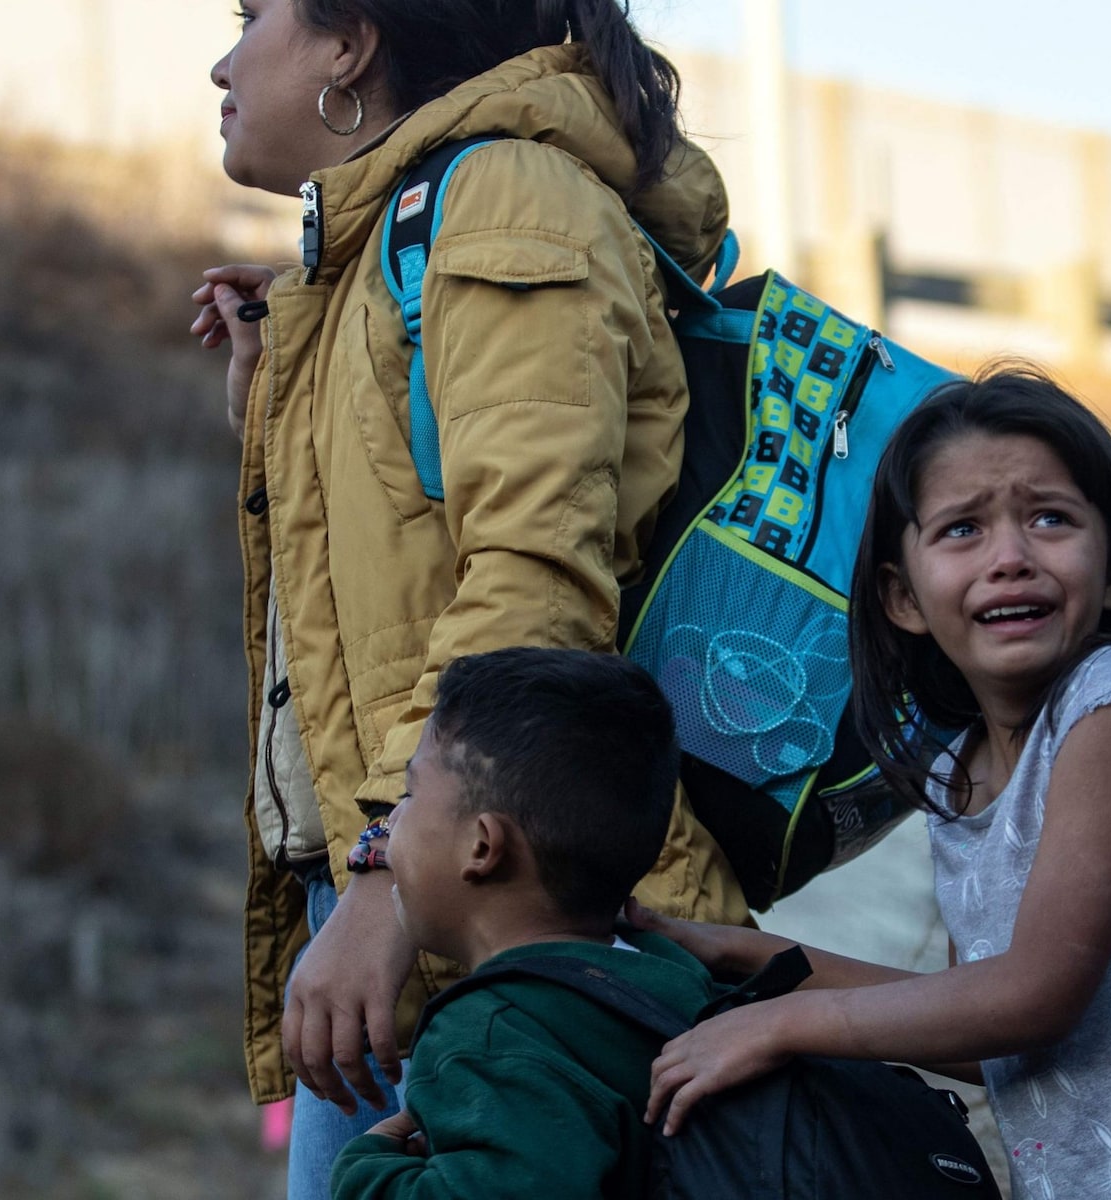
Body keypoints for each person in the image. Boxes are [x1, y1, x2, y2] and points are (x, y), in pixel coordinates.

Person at [188, 3, 749, 1194]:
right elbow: (397, 574)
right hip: (434, 899)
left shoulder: (505, 201)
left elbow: (534, 579)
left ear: (352, 44)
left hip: (506, 920)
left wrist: (386, 882)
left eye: (251, 18)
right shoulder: (370, 257)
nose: (223, 61)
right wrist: (271, 396)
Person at [629, 370, 1111, 1200]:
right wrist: (746, 955)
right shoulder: (959, 778)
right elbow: (987, 1032)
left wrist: (781, 1022)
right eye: (962, 529)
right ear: (902, 597)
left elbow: (1033, 997)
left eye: (1051, 518)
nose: (1011, 558)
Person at [327, 646, 718, 1198]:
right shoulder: (664, 972)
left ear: (482, 846)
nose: (390, 824)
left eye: (410, 795)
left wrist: (370, 1171)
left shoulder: (490, 1034)